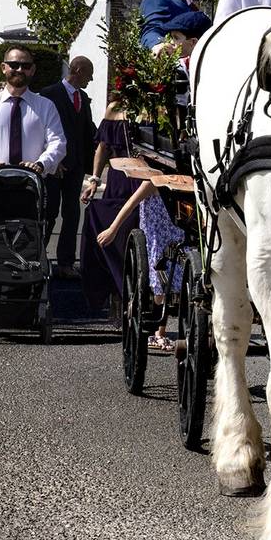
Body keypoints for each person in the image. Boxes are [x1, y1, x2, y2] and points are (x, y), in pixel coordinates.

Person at [97, 180, 185, 350]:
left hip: (176, 233)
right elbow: (131, 204)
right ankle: (160, 332)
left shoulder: (179, 180)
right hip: (156, 236)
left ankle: (188, 329)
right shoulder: (151, 183)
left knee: (182, 277)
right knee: (161, 282)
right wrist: (113, 229)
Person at [0, 45, 66, 176]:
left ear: (33, 70)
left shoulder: (46, 107)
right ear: (3, 68)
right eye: (14, 65)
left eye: (26, 66)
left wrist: (41, 164)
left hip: (32, 184)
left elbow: (58, 143)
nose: (20, 69)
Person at [79, 93, 138, 313]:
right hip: (117, 179)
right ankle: (115, 292)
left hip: (143, 178)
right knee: (113, 236)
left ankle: (135, 293)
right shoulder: (114, 107)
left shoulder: (155, 106)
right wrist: (94, 180)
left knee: (134, 232)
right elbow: (103, 147)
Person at [40, 56, 97, 279]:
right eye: (89, 73)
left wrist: (92, 167)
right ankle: (37, 257)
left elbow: (87, 133)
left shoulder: (82, 98)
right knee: (49, 212)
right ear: (78, 70)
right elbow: (41, 129)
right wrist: (51, 161)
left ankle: (65, 262)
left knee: (72, 214)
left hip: (75, 167)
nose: (91, 79)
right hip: (54, 167)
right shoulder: (49, 94)